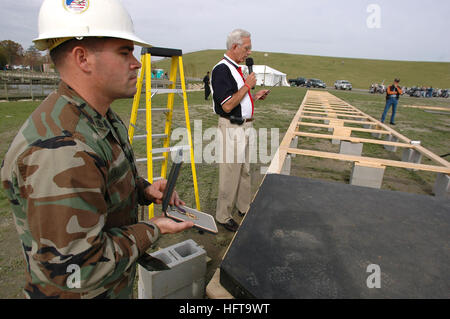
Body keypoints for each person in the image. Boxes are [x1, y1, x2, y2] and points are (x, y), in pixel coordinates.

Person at [0, 0, 193, 299]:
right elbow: (78, 267)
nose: (137, 63)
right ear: (83, 58)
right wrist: (153, 228)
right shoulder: (61, 148)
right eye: (124, 51)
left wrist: (143, 190)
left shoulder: (97, 115)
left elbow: (99, 180)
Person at [211, 29, 269, 232]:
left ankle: (244, 207)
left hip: (245, 126)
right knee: (230, 172)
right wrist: (247, 85)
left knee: (245, 170)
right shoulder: (221, 70)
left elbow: (239, 99)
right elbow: (227, 105)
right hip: (231, 127)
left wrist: (254, 96)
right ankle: (223, 215)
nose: (249, 52)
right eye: (246, 48)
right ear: (234, 47)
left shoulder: (237, 69)